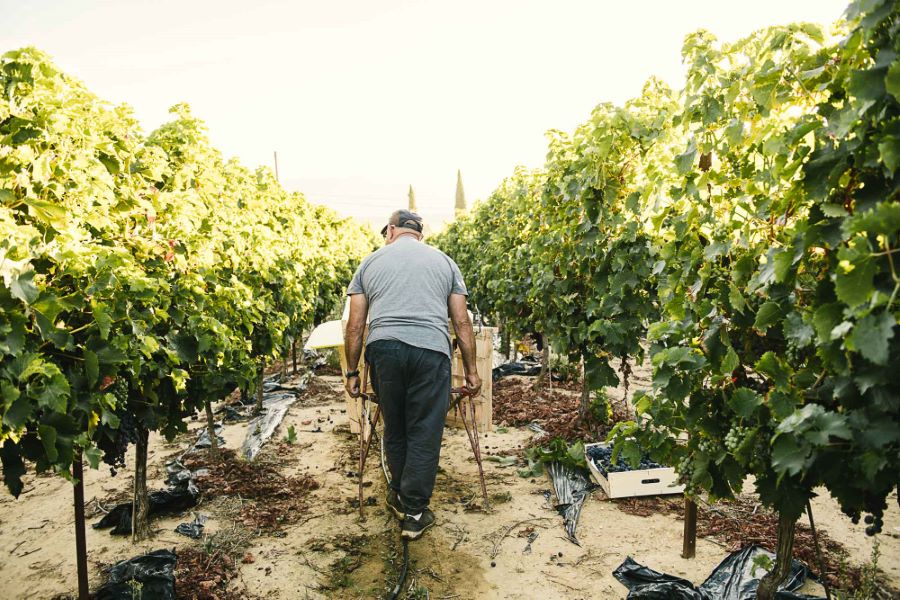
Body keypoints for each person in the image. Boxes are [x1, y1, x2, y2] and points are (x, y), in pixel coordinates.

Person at [344, 209, 481, 540]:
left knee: (395, 424)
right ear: (419, 233)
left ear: (392, 230)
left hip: (384, 351)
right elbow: (461, 321)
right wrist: (472, 371)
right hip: (430, 352)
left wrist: (351, 370)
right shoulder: (445, 263)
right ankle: (415, 512)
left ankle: (399, 494)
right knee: (424, 429)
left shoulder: (370, 263)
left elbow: (355, 324)